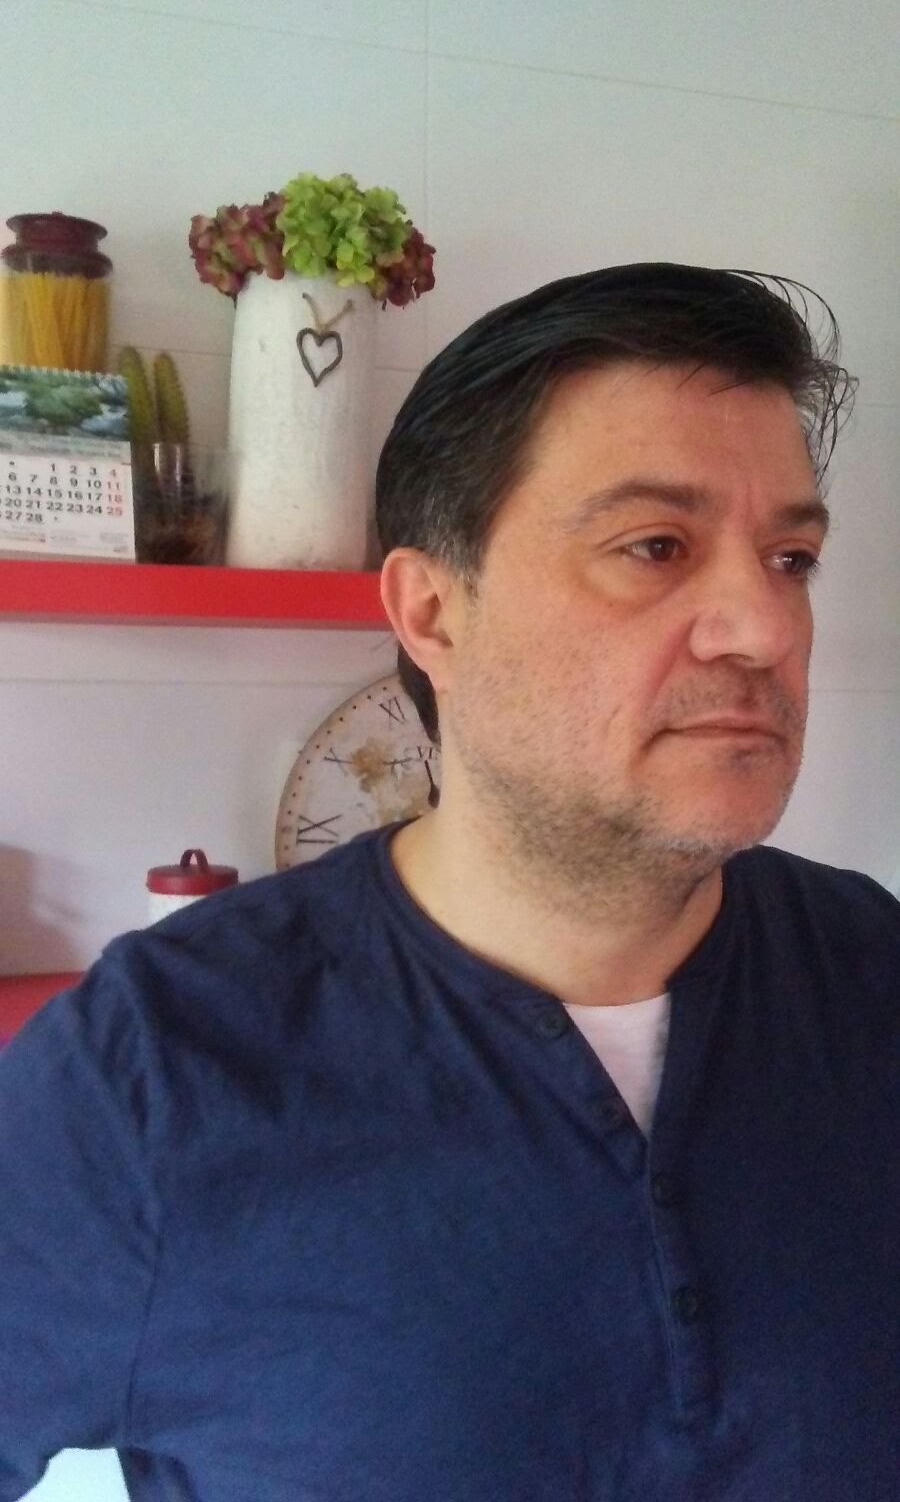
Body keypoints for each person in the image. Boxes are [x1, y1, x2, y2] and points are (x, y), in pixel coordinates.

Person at [2, 262, 898, 1502]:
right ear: (431, 611)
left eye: (791, 557)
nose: (765, 626)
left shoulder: (872, 974)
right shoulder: (153, 1069)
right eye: (655, 546)